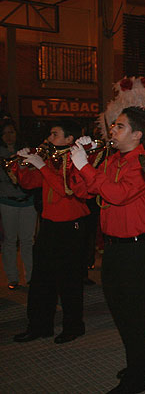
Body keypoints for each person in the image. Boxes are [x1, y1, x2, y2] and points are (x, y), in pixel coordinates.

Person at [70, 107, 145, 394]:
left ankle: (137, 376)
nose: (112, 131)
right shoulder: (112, 160)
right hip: (113, 247)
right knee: (120, 308)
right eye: (114, 126)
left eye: (119, 127)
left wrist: (86, 166)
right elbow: (84, 192)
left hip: (138, 248)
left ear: (137, 134)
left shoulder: (144, 163)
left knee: (133, 313)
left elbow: (118, 195)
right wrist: (78, 163)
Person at [12, 119, 89, 344]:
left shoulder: (77, 160)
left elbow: (67, 189)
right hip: (48, 226)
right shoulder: (49, 158)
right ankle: (39, 325)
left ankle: (74, 326)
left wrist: (42, 166)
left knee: (69, 281)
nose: (48, 139)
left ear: (69, 139)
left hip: (70, 227)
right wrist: (24, 164)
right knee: (40, 280)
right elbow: (28, 184)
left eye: (54, 135)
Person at [0, 120, 36, 290]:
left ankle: (30, 276)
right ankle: (12, 278)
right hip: (7, 201)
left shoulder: (24, 151)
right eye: (5, 133)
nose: (9, 136)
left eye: (12, 132)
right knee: (9, 240)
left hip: (27, 201)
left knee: (27, 241)